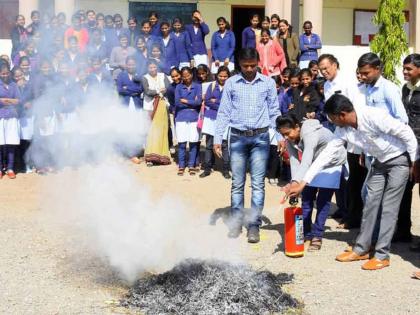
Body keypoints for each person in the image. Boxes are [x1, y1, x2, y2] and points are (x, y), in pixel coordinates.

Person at [289, 94, 417, 270]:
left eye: (332, 119)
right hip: (379, 163)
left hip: (399, 161)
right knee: (370, 203)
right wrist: (304, 182)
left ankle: (382, 255)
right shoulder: (343, 129)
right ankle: (362, 248)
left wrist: (414, 162)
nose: (332, 123)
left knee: (389, 208)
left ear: (341, 115)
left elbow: (406, 132)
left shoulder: (373, 116)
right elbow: (325, 156)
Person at [214, 48, 281, 243]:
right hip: (236, 138)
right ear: (239, 65)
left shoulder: (268, 83)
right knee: (237, 183)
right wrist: (218, 137)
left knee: (258, 184)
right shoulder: (231, 83)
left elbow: (274, 111)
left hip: (261, 138)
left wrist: (279, 136)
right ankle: (235, 222)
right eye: (245, 66)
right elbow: (224, 112)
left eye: (253, 65)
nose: (250, 69)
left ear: (258, 62)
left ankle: (253, 225)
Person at [279, 115, 346, 250]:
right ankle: (306, 233)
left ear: (297, 127)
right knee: (307, 200)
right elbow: (294, 162)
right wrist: (294, 183)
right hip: (313, 164)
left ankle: (317, 235)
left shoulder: (310, 133)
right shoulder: (290, 140)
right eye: (283, 135)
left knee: (323, 201)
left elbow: (306, 160)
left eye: (287, 133)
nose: (286, 137)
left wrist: (298, 183)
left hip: (332, 164)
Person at [318, 53, 366, 229]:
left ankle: (352, 215)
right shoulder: (326, 84)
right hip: (337, 129)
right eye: (321, 69)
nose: (324, 72)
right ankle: (343, 208)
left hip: (352, 131)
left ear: (335, 65)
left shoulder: (347, 81)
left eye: (326, 68)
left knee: (352, 175)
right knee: (337, 169)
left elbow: (354, 106)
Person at [396, 54, 420, 246]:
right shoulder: (405, 89)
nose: (405, 72)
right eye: (404, 68)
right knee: (403, 190)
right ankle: (403, 230)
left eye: (409, 69)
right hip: (407, 144)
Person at [200, 66, 231, 179]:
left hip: (225, 120)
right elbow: (207, 101)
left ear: (228, 76)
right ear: (217, 75)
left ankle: (226, 169)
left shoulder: (231, 86)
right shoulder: (212, 86)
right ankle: (207, 168)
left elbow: (231, 103)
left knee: (224, 145)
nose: (222, 78)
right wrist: (220, 104)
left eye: (225, 76)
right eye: (220, 76)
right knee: (209, 145)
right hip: (211, 119)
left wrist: (216, 101)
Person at [142, 60, 171, 166]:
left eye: (154, 67)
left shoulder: (163, 75)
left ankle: (162, 156)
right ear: (147, 68)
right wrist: (159, 91)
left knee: (162, 129)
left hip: (162, 106)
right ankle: (150, 157)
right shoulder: (145, 77)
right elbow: (147, 92)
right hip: (150, 106)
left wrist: (163, 90)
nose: (153, 69)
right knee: (151, 130)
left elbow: (168, 88)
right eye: (150, 67)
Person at [174, 67, 202, 176]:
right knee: (181, 143)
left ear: (191, 74)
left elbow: (199, 102)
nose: (186, 78)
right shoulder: (178, 87)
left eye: (188, 75)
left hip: (194, 118)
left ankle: (191, 165)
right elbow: (177, 103)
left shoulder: (198, 86)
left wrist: (185, 100)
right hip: (181, 117)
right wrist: (192, 102)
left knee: (193, 143)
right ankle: (181, 165)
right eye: (184, 76)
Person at [116, 56, 144, 164]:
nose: (131, 66)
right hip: (125, 106)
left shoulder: (138, 75)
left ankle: (134, 153)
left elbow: (140, 88)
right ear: (126, 65)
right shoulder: (121, 75)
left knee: (136, 130)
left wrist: (126, 88)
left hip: (137, 105)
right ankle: (125, 153)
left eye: (133, 64)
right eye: (129, 64)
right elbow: (119, 89)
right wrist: (131, 90)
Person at [0, 63, 21, 179]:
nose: (5, 75)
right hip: (1, 117)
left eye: (7, 73)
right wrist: (10, 101)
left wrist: (4, 100)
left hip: (12, 117)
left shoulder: (13, 85)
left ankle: (10, 168)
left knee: (11, 144)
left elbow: (18, 101)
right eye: (2, 73)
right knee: (0, 144)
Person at [13, 67, 34, 173]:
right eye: (16, 76)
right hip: (17, 118)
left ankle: (28, 164)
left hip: (28, 117)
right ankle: (20, 165)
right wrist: (18, 88)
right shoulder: (13, 87)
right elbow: (13, 101)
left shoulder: (29, 85)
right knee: (19, 142)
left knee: (28, 141)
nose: (19, 77)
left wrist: (31, 103)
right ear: (13, 77)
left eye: (20, 75)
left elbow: (34, 98)